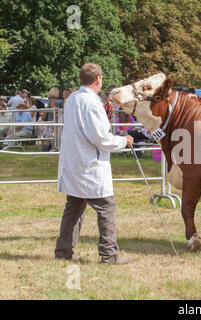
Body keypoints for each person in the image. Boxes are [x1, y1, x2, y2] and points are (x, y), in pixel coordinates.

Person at [55, 63, 133, 264]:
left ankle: (63, 252)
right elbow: (100, 137)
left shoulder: (72, 99)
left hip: (74, 163)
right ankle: (109, 255)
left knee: (73, 208)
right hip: (90, 165)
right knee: (106, 208)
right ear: (98, 79)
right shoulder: (91, 102)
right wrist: (124, 141)